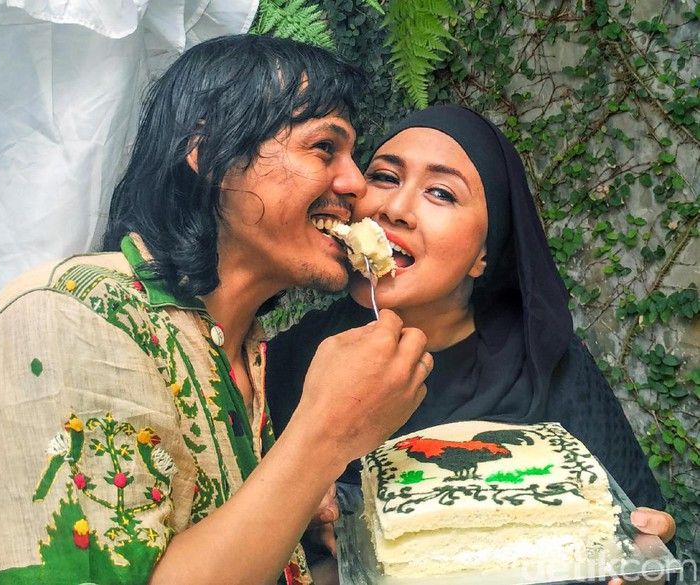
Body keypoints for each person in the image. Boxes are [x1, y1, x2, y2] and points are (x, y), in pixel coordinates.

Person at [0, 35, 432, 585]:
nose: (357, 184)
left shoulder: (240, 349)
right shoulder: (64, 319)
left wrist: (299, 519)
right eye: (323, 147)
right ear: (208, 150)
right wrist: (324, 435)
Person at [266, 105, 676, 583]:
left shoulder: (546, 364)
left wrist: (647, 567)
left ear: (484, 253)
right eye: (384, 177)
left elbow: (644, 541)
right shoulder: (292, 360)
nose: (394, 208)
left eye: (440, 193)